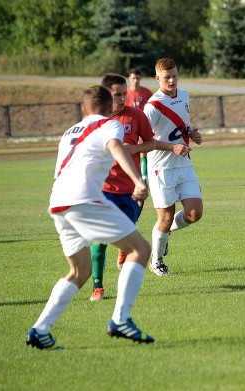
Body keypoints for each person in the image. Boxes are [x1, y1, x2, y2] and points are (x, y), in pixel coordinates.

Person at [26, 86, 155, 349]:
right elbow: (115, 146)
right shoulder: (110, 125)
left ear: (84, 109)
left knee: (78, 271)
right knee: (140, 249)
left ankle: (40, 330)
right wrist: (137, 180)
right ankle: (121, 319)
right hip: (83, 198)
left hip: (58, 200)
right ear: (110, 109)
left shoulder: (69, 131)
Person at [88, 73, 156, 301]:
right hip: (103, 189)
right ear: (106, 96)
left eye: (124, 94)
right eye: (117, 95)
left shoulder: (136, 115)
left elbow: (151, 143)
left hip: (131, 191)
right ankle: (98, 287)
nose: (122, 99)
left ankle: (123, 258)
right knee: (99, 239)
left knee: (128, 238)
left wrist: (135, 150)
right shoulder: (96, 121)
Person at [144, 58, 203, 276]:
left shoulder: (184, 95)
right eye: (166, 77)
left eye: (174, 76)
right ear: (157, 78)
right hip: (162, 168)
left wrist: (192, 134)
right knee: (165, 217)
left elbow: (181, 127)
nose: (171, 80)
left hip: (184, 164)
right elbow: (144, 143)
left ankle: (165, 234)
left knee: (195, 213)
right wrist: (171, 148)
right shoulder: (152, 107)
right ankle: (156, 261)